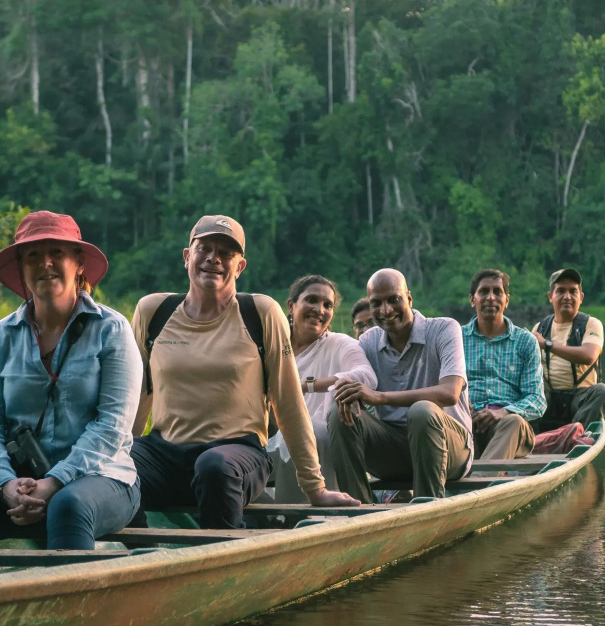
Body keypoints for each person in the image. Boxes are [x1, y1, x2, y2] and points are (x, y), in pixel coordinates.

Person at [0, 211, 142, 583]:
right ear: (21, 266)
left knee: (68, 506)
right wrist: (5, 485)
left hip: (103, 479)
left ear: (77, 263)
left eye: (56, 253)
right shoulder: (0, 337)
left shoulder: (111, 330)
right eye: (32, 255)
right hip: (18, 484)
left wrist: (55, 482)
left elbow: (112, 426)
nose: (45, 263)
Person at [129, 215, 360, 528]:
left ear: (239, 267)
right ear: (187, 257)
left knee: (214, 467)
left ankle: (223, 555)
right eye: (204, 249)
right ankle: (143, 554)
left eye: (226, 254)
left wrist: (315, 488)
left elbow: (289, 403)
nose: (214, 259)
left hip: (237, 455)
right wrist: (119, 453)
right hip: (165, 452)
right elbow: (137, 396)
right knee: (118, 467)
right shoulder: (153, 311)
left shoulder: (260, 313)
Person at [327, 269, 473, 501]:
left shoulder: (444, 329)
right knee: (339, 412)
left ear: (409, 299)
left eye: (394, 300)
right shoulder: (368, 341)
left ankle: (428, 511)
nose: (386, 310)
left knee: (422, 411)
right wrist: (350, 393)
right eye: (376, 303)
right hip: (394, 450)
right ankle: (357, 511)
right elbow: (352, 381)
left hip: (448, 449)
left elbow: (450, 393)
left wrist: (380, 397)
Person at [269, 274, 377, 502]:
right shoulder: (273, 347)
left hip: (316, 436)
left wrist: (309, 386)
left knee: (304, 434)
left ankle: (299, 522)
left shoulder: (340, 344)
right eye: (311, 300)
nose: (319, 309)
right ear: (291, 305)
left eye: (327, 305)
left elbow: (366, 376)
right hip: (269, 435)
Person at [462, 268, 545, 460]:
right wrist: (464, 406)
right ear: (472, 299)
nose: (491, 297)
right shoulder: (456, 339)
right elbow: (442, 384)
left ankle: (482, 484)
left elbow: (537, 399)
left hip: (508, 429)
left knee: (514, 422)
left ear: (507, 300)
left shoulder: (525, 341)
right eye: (483, 292)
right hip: (466, 424)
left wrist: (502, 412)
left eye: (497, 292)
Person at [531, 268, 605, 434]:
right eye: (560, 291)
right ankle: (531, 436)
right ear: (550, 297)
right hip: (549, 399)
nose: (567, 297)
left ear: (581, 297)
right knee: (530, 388)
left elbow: (589, 356)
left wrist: (547, 344)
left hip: (580, 399)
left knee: (602, 391)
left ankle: (573, 435)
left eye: (573, 291)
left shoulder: (591, 324)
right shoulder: (540, 328)